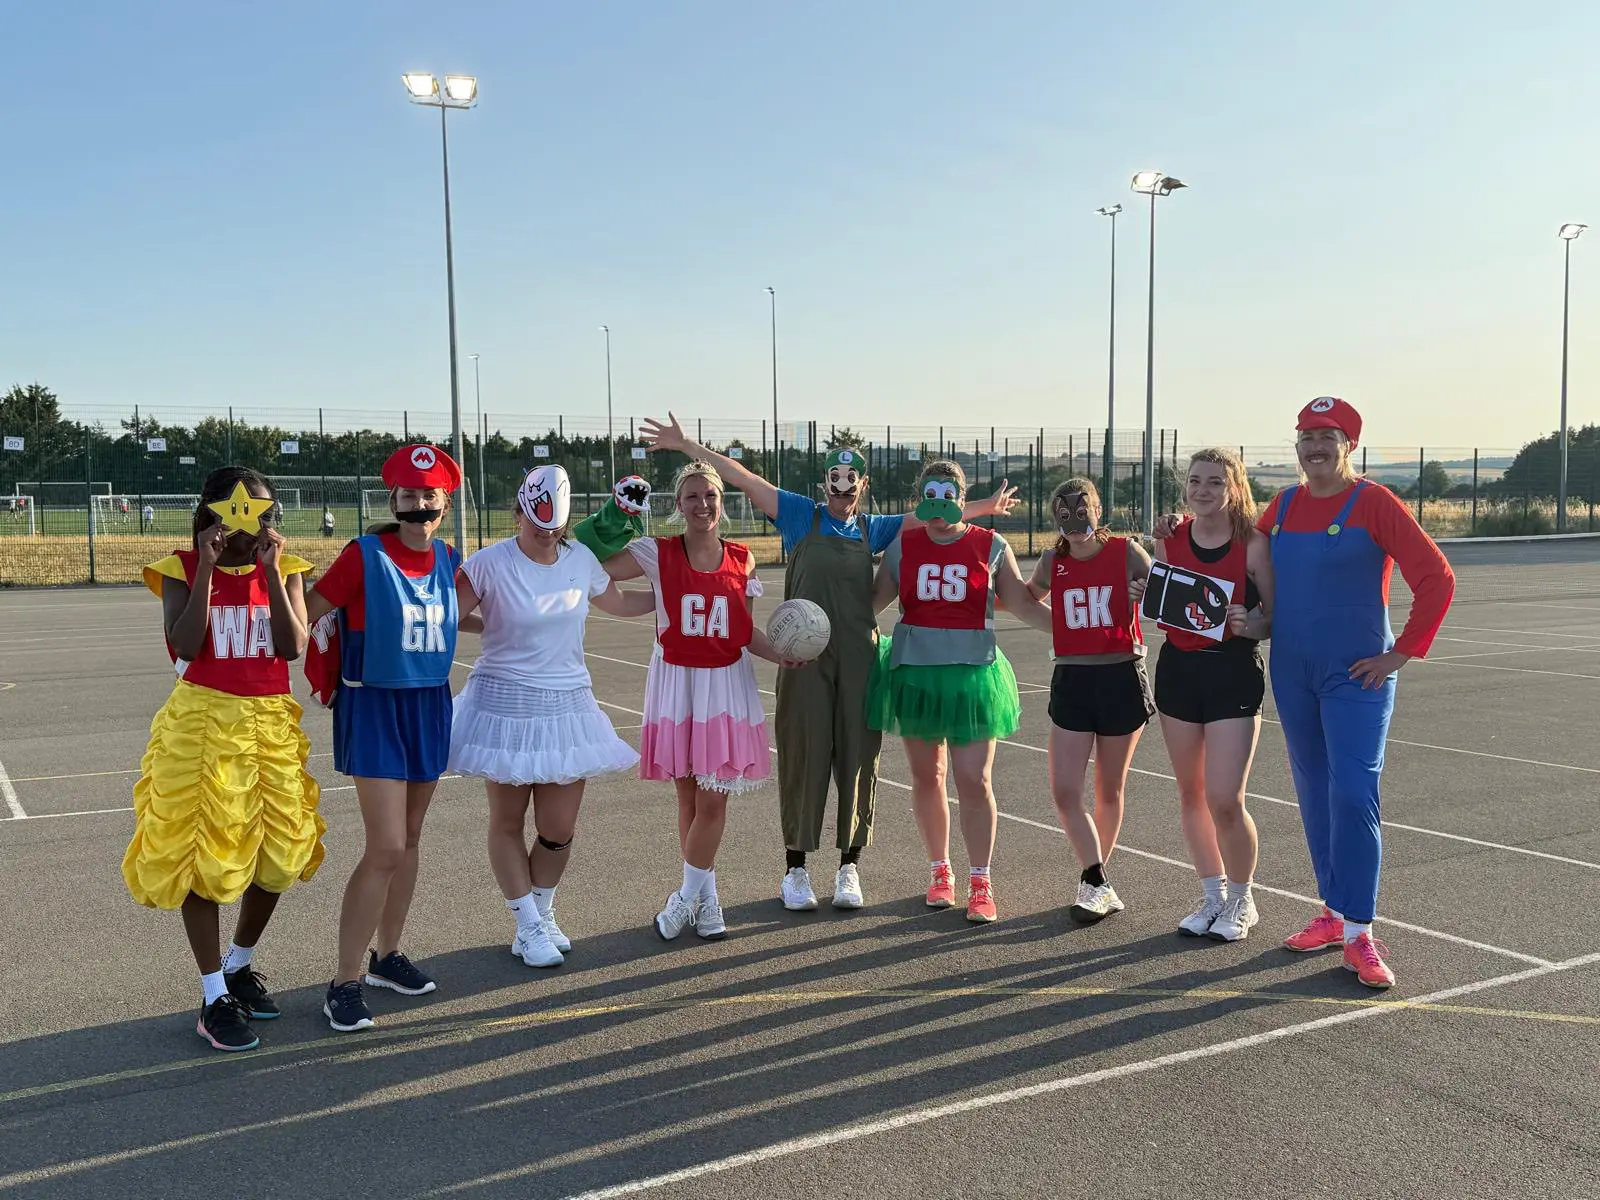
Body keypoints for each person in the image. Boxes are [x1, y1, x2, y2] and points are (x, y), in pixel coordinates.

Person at [639, 412, 1017, 914]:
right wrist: (689, 445)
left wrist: (983, 506)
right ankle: (795, 869)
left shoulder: (873, 528)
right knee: (803, 753)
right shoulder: (800, 516)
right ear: (824, 483)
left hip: (859, 657)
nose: (843, 487)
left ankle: (848, 866)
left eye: (851, 478)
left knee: (858, 757)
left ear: (863, 484)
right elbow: (743, 478)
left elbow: (933, 513)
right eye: (834, 478)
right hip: (803, 661)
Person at [1249, 398, 1453, 987]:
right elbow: (1237, 551)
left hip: (1356, 675)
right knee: (1314, 792)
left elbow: (1436, 577)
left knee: (1354, 792)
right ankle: (1333, 913)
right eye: (1307, 436)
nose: (1315, 446)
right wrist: (1175, 538)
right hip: (1293, 671)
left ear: (1350, 446)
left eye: (1328, 436)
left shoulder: (1374, 502)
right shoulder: (1282, 506)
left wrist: (1400, 653)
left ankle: (1360, 933)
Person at [123, 466, 323, 1052]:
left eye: (262, 511)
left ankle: (239, 964)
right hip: (203, 722)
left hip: (269, 724)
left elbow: (292, 646)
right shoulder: (180, 570)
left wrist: (270, 572)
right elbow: (185, 644)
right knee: (203, 854)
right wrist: (208, 567)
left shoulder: (286, 568)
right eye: (237, 509)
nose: (250, 522)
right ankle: (213, 996)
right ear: (210, 512)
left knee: (280, 854)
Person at [451, 466, 652, 969]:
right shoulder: (489, 563)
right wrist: (488, 624)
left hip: (567, 707)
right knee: (507, 821)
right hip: (505, 705)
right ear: (518, 512)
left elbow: (619, 601)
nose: (546, 533)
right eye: (536, 523)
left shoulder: (580, 558)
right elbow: (447, 614)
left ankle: (540, 912)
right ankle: (528, 925)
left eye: (555, 526)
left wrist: (679, 595)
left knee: (558, 829)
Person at [601, 460, 802, 941]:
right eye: (692, 496)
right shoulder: (657, 552)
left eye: (710, 495)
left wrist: (782, 654)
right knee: (689, 798)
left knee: (713, 802)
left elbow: (743, 630)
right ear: (678, 504)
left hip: (725, 688)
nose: (702, 504)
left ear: (721, 502)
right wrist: (616, 522)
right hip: (677, 684)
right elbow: (596, 572)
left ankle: (682, 901)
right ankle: (708, 901)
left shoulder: (743, 559)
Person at [304, 444, 465, 1031]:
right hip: (373, 702)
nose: (420, 504)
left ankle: (387, 955)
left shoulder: (449, 559)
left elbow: (467, 614)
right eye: (409, 495)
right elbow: (307, 611)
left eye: (430, 495)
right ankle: (343, 981)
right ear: (393, 500)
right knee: (387, 847)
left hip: (429, 702)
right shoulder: (363, 555)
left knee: (412, 838)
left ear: (444, 503)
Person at [867, 460, 1053, 923]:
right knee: (928, 776)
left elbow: (1025, 605)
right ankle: (940, 870)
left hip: (972, 674)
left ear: (961, 499)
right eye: (929, 494)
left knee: (974, 780)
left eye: (947, 495)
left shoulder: (991, 545)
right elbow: (869, 605)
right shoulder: (902, 546)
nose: (938, 504)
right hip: (915, 673)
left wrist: (1081, 632)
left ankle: (981, 879)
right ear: (919, 499)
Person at [1149, 450, 1275, 942]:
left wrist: (1250, 624)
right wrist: (1144, 592)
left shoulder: (1254, 545)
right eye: (1195, 481)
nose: (1203, 490)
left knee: (1225, 798)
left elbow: (1273, 618)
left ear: (1235, 488)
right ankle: (1213, 896)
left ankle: (1243, 898)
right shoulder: (1169, 538)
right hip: (1178, 673)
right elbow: (1164, 601)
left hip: (1232, 674)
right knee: (1192, 794)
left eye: (1215, 482)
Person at [1025, 478, 1154, 923]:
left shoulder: (1127, 552)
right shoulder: (1052, 561)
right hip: (1072, 679)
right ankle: (1097, 879)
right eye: (1064, 515)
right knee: (1064, 791)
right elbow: (1026, 598)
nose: (1075, 522)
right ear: (1054, 519)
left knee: (1109, 788)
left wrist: (1147, 593)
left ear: (1099, 511)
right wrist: (1058, 624)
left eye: (1083, 512)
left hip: (1121, 677)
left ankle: (1094, 881)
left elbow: (1164, 597)